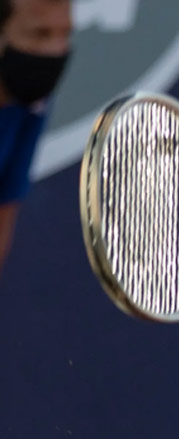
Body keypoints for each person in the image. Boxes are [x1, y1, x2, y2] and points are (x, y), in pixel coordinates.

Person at [0, 0, 71, 279]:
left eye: (65, 34)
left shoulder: (33, 103)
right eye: (40, 34)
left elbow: (5, 206)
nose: (56, 50)